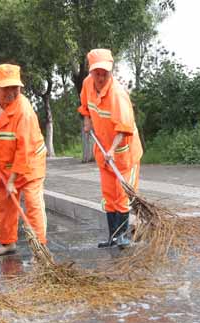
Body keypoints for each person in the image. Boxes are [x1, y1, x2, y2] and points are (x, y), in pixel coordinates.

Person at [0, 64, 47, 256]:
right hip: (2, 162)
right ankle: (8, 244)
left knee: (33, 203)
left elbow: (23, 149)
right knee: (4, 203)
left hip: (30, 160)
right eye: (6, 87)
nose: (11, 92)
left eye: (15, 88)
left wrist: (12, 180)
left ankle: (39, 247)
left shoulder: (23, 111)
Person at [78, 49, 143, 248]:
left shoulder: (118, 95)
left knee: (122, 195)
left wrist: (113, 149)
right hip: (104, 151)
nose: (100, 77)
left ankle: (123, 235)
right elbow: (85, 106)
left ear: (110, 71)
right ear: (91, 72)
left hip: (123, 153)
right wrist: (87, 120)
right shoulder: (88, 84)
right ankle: (113, 237)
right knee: (109, 196)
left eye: (104, 73)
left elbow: (124, 129)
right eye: (96, 72)